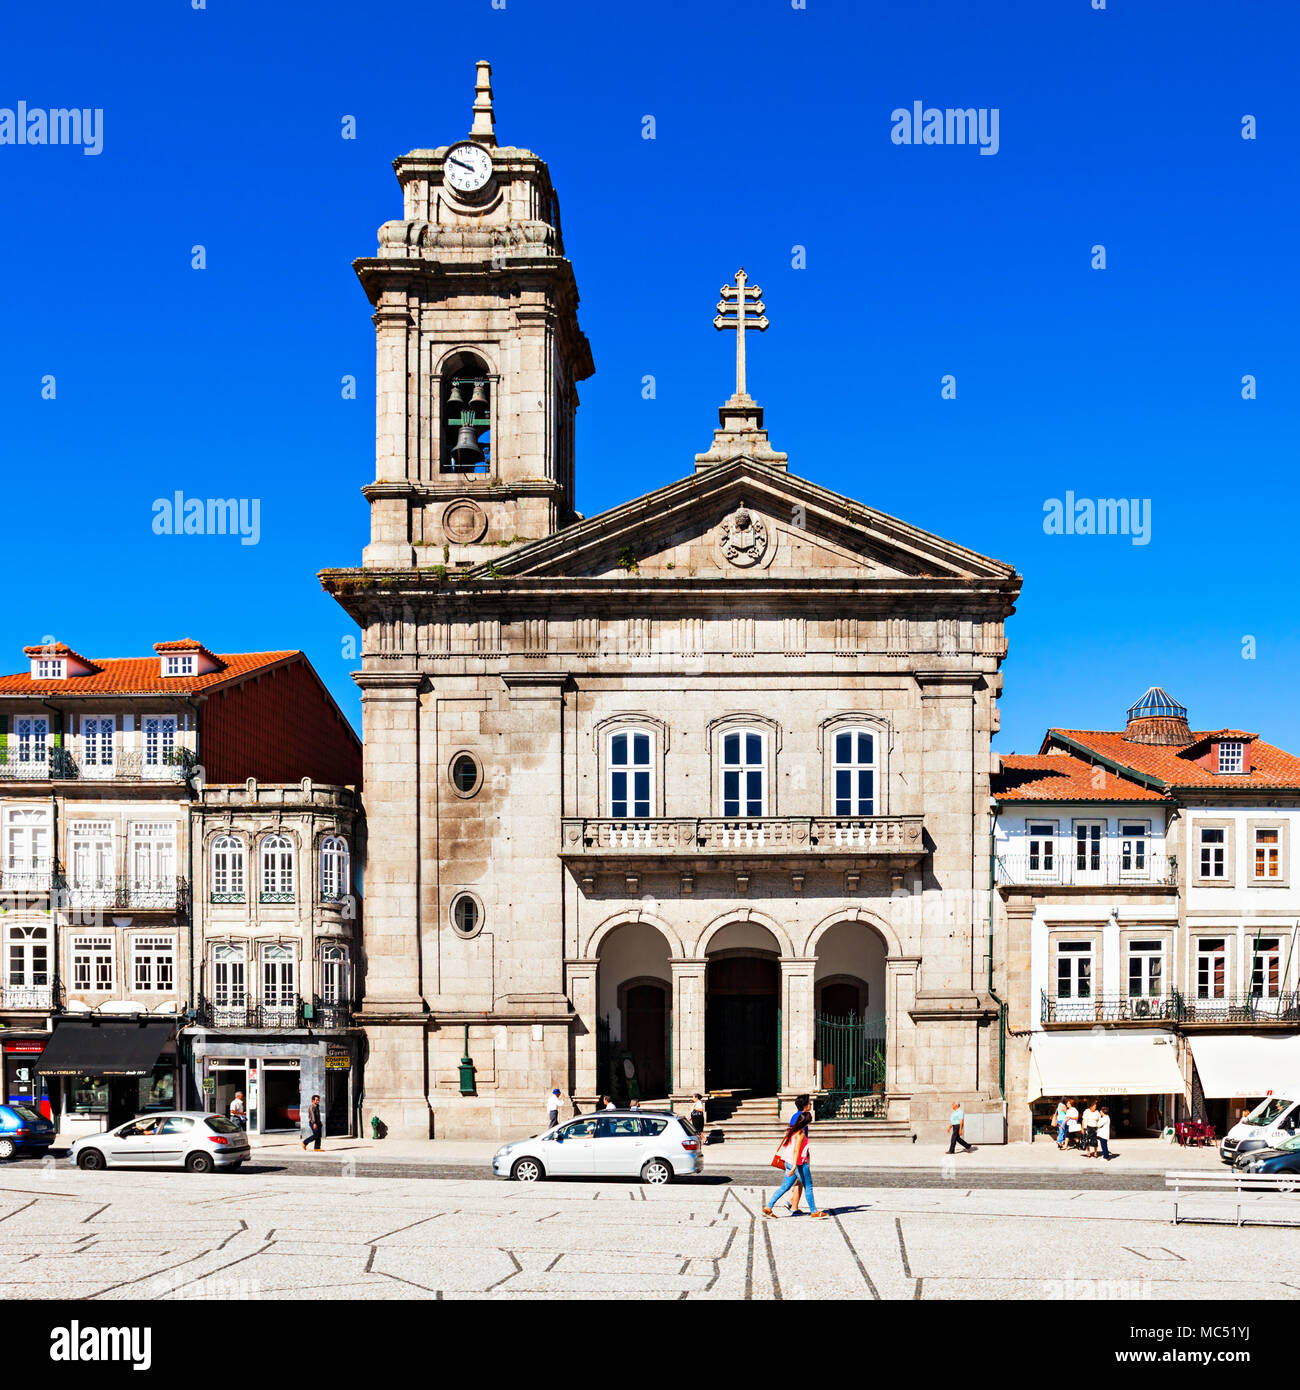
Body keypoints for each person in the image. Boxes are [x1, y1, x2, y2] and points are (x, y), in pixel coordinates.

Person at [763, 1108, 827, 1219]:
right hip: (798, 1164)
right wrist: (794, 1166)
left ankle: (769, 1207)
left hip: (788, 1161)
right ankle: (814, 1212)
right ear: (805, 1123)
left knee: (784, 1187)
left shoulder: (791, 1130)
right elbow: (796, 1150)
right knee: (808, 1186)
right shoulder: (801, 1133)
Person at [774, 1095, 812, 1213]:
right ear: (805, 1106)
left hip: (794, 1154)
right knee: (801, 1182)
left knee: (797, 1181)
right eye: (809, 1103)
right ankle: (793, 1206)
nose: (811, 1104)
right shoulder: (801, 1118)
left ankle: (791, 1202)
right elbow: (799, 1139)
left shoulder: (794, 1117)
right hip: (799, 1155)